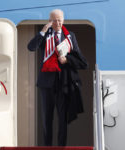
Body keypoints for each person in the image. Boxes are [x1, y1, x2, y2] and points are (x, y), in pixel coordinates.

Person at [27, 9, 88, 146]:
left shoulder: (70, 36)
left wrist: (67, 60)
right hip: (46, 84)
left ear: (64, 20)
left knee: (62, 120)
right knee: (47, 120)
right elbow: (31, 47)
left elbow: (83, 63)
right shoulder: (44, 36)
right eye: (54, 20)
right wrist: (43, 30)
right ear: (50, 21)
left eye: (60, 19)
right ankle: (47, 148)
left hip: (63, 84)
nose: (57, 23)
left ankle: (61, 147)